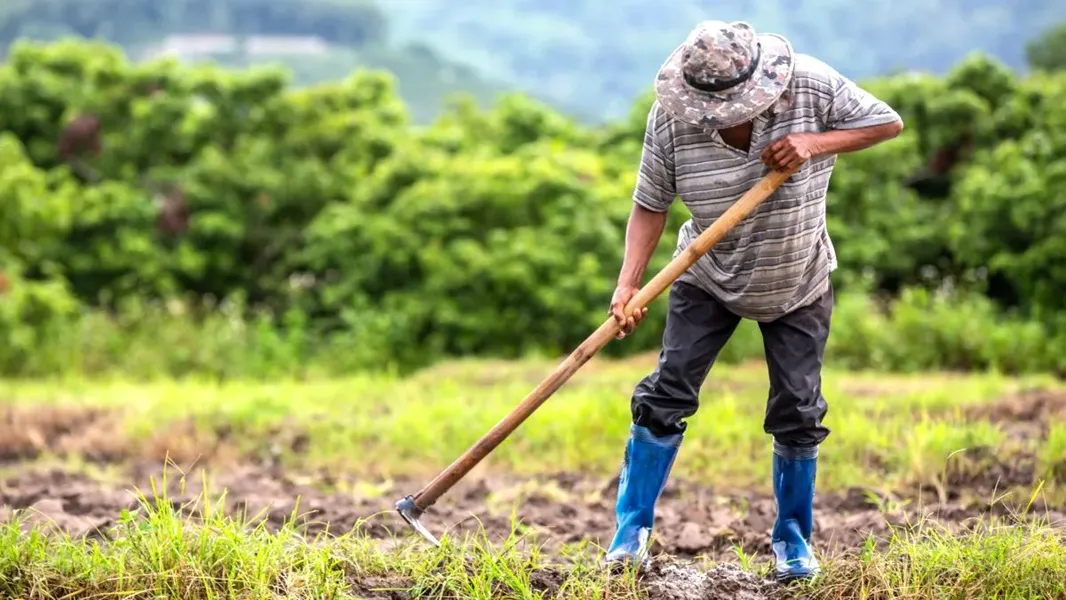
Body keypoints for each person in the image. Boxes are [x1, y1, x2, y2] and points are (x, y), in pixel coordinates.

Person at [602, 19, 904, 583]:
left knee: (797, 408)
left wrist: (814, 143)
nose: (717, 119)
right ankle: (630, 535)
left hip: (798, 277)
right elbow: (650, 203)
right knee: (667, 393)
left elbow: (887, 123)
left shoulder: (811, 85)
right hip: (706, 273)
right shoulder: (671, 117)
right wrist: (629, 284)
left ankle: (793, 543)